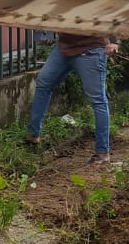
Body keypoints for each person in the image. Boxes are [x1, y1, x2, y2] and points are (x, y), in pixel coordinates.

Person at [26, 33, 118, 164]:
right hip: (64, 47)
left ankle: (102, 153)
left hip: (90, 49)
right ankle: (33, 134)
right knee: (43, 83)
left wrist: (114, 41)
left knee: (98, 100)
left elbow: (110, 13)